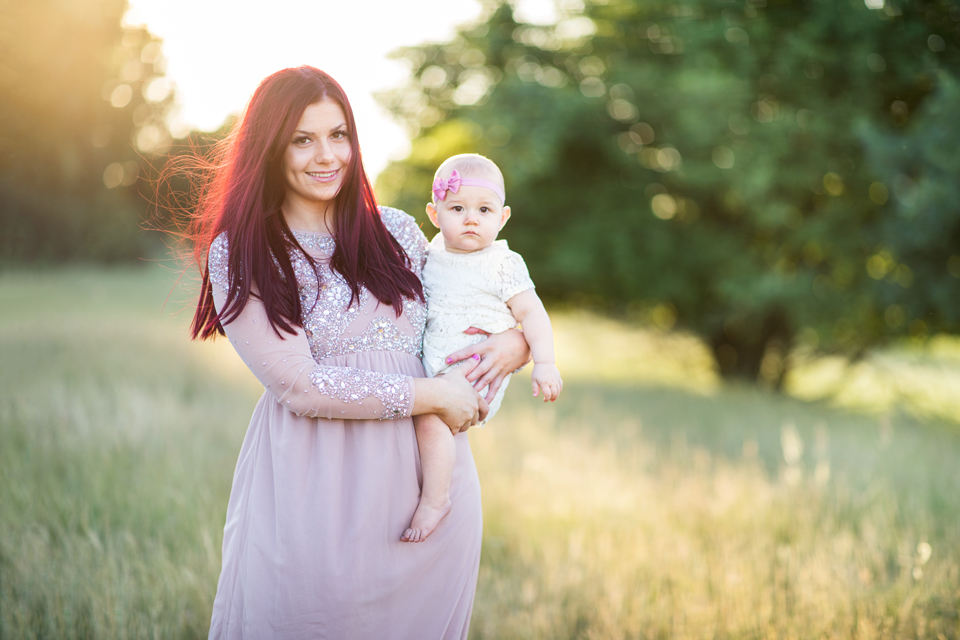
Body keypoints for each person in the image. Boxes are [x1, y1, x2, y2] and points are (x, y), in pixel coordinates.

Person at [188, 66, 529, 639]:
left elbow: (476, 298)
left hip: (432, 491)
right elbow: (300, 384)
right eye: (302, 139)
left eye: (339, 134)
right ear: (270, 148)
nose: (327, 156)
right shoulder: (245, 251)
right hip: (316, 490)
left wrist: (517, 342)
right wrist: (435, 393)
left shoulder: (396, 231)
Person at [401, 154, 563, 543]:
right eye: (457, 208)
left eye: (484, 210)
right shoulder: (431, 255)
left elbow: (533, 313)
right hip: (439, 360)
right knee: (423, 422)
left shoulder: (502, 262)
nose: (471, 218)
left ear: (502, 218)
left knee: (430, 416)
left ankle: (435, 499)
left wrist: (545, 362)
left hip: (478, 363)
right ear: (435, 213)